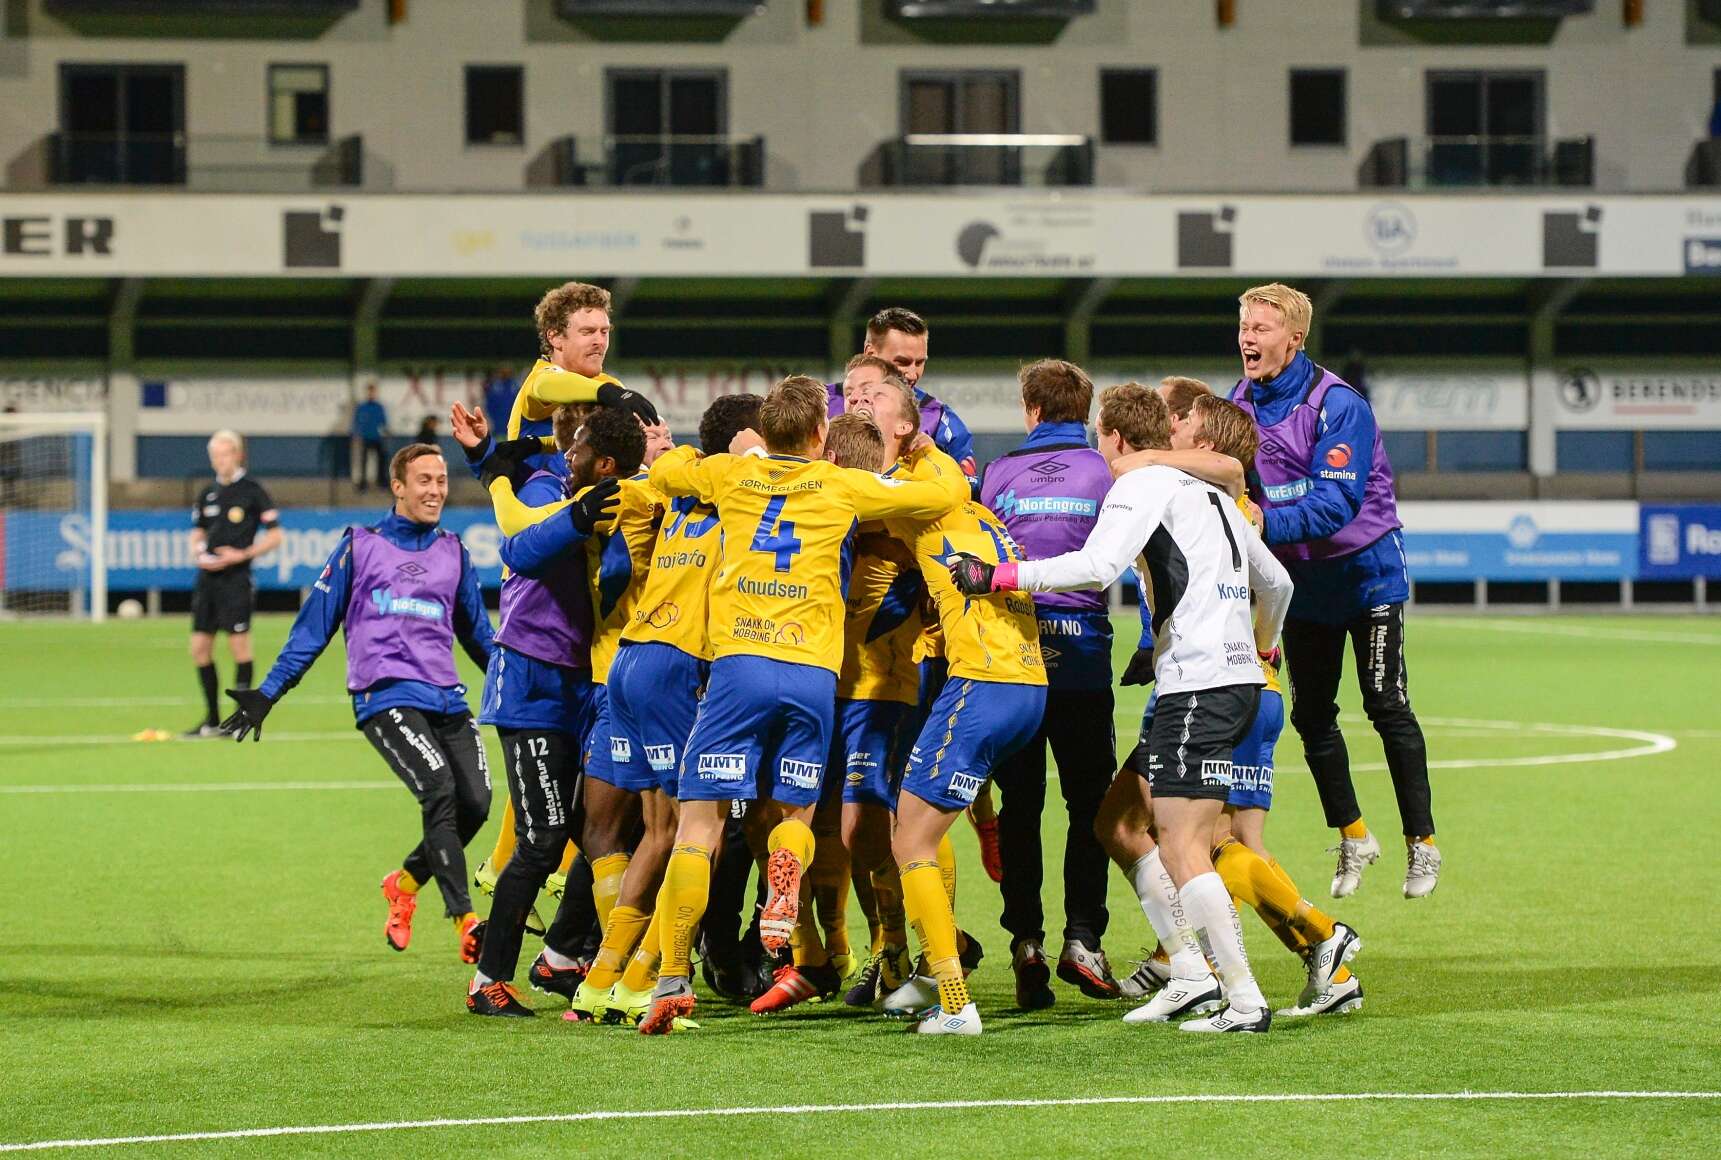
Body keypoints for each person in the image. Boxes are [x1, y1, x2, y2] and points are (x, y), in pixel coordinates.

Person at [951, 384, 1292, 1034]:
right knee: (1117, 823)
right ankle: (1189, 973)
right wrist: (1264, 644)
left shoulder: (1141, 484)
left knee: (1182, 846)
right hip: (1227, 682)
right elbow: (1277, 582)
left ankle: (1244, 998)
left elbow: (1097, 565)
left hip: (1198, 685)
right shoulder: (1213, 494)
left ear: (1112, 437)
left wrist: (999, 576)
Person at [634, 375, 966, 1034]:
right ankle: (790, 877)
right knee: (796, 812)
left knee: (698, 825)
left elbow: (665, 470)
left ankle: (671, 976)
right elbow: (945, 494)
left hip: (739, 667)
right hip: (813, 672)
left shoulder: (731, 474)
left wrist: (731, 457)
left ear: (769, 431)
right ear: (820, 434)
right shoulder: (840, 484)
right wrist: (927, 453)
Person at [1104, 392, 1364, 1019]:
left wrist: (1147, 458)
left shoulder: (1213, 496)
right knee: (1153, 827)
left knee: (1211, 842)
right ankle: (1202, 962)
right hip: (1223, 680)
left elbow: (1256, 551)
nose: (1170, 429)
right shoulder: (1200, 489)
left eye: (1181, 422)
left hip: (1224, 684)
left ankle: (1318, 940)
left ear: (1205, 444)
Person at [222, 444, 495, 963]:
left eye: (441, 480)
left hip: (446, 698)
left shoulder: (454, 551)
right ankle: (466, 920)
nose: (435, 490)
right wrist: (268, 693)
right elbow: (314, 628)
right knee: (439, 788)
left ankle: (405, 883)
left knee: (476, 803)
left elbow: (480, 637)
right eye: (424, 480)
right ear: (398, 486)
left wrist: (525, 688)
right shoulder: (360, 545)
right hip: (384, 695)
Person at [842, 375, 1045, 1036]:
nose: (859, 404)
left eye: (875, 400)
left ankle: (953, 1001)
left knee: (910, 839)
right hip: (1022, 683)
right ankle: (932, 980)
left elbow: (841, 495)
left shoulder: (927, 490)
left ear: (907, 427)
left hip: (983, 682)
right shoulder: (952, 496)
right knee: (921, 826)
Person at [1229, 282, 1439, 900]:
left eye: (1261, 329)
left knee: (1386, 704)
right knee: (1312, 715)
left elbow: (1336, 504)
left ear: (1294, 339)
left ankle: (1422, 843)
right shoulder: (1238, 402)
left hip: (1367, 574)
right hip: (1303, 582)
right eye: (1244, 327)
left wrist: (1262, 522)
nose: (1247, 338)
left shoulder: (1339, 404)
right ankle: (1354, 835)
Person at [453, 407, 634, 1017]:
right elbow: (522, 549)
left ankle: (560, 956)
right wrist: (501, 473)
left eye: (576, 443)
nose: (566, 451)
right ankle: (488, 980)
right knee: (542, 839)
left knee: (599, 829)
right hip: (530, 683)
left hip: (579, 684)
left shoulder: (620, 501)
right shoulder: (547, 489)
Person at [978, 359, 1120, 1008]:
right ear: (1084, 412)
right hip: (1083, 655)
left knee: (1020, 805)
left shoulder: (998, 473)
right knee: (1090, 805)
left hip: (1017, 658)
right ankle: (1083, 937)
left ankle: (1025, 941)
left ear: (1030, 410)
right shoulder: (1107, 473)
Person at [186, 430, 281, 738]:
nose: (219, 461)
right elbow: (197, 531)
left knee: (239, 647)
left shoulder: (252, 491)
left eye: (225, 454)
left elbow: (276, 536)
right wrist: (198, 551)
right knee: (200, 648)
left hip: (236, 579)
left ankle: (240, 717)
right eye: (215, 456)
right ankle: (212, 719)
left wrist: (243, 554)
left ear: (238, 455)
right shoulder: (207, 492)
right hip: (207, 580)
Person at [828, 308, 978, 495]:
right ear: (870, 354)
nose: (913, 374)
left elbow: (970, 488)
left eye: (920, 362)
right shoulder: (820, 404)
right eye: (902, 362)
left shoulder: (938, 419)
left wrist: (932, 456)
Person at [351, 382, 388, 492]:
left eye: (373, 391)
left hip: (377, 438)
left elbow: (384, 422)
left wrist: (385, 432)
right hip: (365, 438)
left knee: (381, 460)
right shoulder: (361, 407)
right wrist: (356, 434)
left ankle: (381, 481)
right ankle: (362, 483)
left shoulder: (379, 407)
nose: (371, 393)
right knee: (363, 461)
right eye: (369, 391)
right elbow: (356, 422)